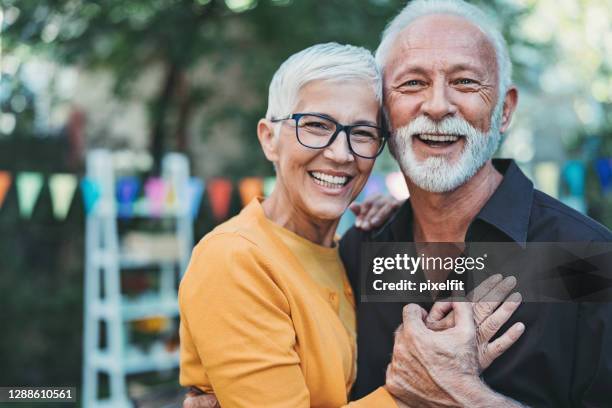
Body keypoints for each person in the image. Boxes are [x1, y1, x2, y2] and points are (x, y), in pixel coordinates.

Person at [179, 42, 524, 408]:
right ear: (269, 138)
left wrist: (410, 214)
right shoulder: (234, 258)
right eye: (315, 125)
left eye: (361, 133)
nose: (340, 154)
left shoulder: (350, 248)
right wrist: (418, 391)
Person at [340, 1, 612, 407]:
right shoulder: (360, 251)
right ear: (382, 111)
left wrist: (465, 396)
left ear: (504, 110)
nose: (436, 106)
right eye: (412, 83)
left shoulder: (586, 257)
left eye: (465, 82)